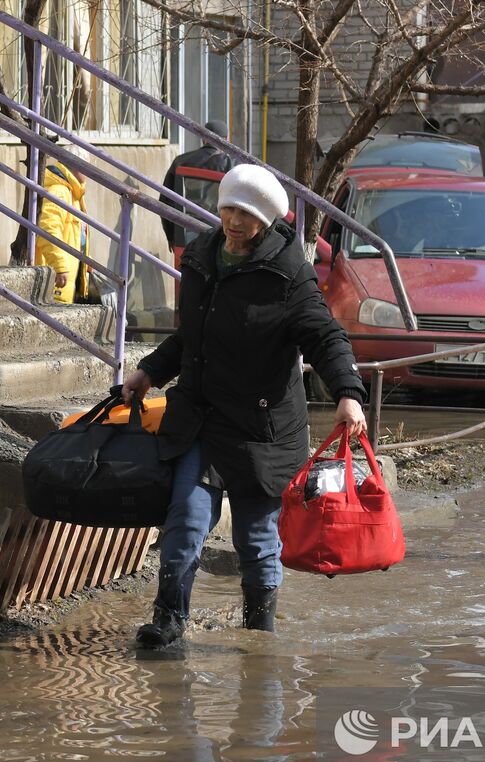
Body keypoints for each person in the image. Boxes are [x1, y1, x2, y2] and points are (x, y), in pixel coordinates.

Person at [121, 163, 368, 649]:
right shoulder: (201, 257)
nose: (234, 221)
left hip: (261, 430)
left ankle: (259, 636)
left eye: (246, 214)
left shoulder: (288, 273)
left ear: (267, 220)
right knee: (185, 525)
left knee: (256, 542)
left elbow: (325, 336)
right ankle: (168, 623)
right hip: (201, 418)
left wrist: (348, 393)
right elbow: (192, 336)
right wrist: (149, 371)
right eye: (228, 208)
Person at [160, 120, 235, 250]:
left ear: (203, 138)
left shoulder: (180, 161)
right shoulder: (231, 165)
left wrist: (171, 238)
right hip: (220, 240)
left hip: (184, 240)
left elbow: (165, 202)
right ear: (226, 139)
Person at [34, 149, 90, 304]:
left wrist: (87, 261)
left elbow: (76, 235)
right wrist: (59, 266)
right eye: (88, 167)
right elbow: (48, 230)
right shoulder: (60, 192)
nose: (90, 173)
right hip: (58, 278)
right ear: (77, 166)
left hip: (67, 274)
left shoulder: (74, 194)